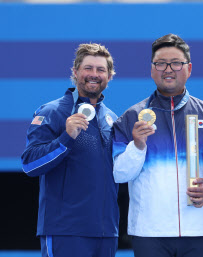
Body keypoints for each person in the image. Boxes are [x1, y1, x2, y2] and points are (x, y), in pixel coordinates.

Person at [112, 34, 203, 257]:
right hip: (149, 232)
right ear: (152, 69)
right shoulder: (132, 117)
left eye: (176, 63)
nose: (168, 69)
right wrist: (137, 146)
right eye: (160, 63)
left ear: (189, 68)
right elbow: (119, 175)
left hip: (200, 229)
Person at [21, 43, 119, 257]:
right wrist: (66, 138)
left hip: (107, 233)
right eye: (88, 68)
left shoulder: (112, 119)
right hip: (66, 231)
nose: (94, 74)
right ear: (75, 72)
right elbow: (29, 164)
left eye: (101, 69)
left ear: (109, 76)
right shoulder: (53, 112)